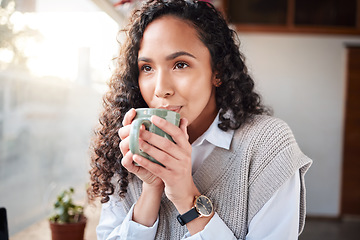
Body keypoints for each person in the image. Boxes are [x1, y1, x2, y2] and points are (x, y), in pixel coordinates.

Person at [88, 0, 312, 239]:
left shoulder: (267, 145)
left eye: (180, 64)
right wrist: (151, 190)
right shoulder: (127, 144)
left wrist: (185, 195)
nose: (161, 89)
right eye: (147, 68)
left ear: (217, 71)